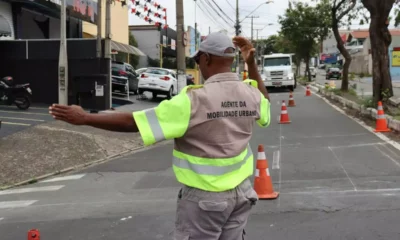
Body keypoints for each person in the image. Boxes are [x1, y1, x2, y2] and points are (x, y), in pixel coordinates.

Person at [49, 32, 271, 240]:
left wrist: (85, 118)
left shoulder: (193, 101)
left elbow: (134, 122)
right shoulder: (251, 94)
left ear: (205, 59)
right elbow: (266, 106)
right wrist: (251, 65)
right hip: (242, 194)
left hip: (206, 199)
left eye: (197, 61)